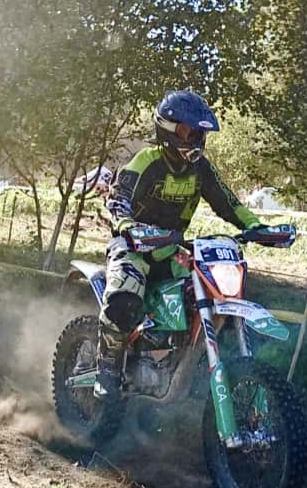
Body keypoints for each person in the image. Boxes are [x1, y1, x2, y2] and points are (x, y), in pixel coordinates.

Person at [94, 89, 295, 399]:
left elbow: (228, 203)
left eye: (200, 133)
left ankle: (195, 364)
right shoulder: (147, 160)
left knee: (212, 288)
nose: (197, 139)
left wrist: (255, 227)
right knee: (124, 294)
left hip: (174, 249)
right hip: (135, 246)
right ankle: (107, 369)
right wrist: (129, 227)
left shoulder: (201, 169)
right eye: (190, 131)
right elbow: (119, 198)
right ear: (169, 129)